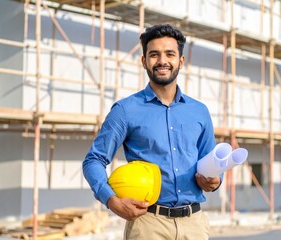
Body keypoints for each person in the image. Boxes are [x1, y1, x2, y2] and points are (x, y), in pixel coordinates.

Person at [83, 24, 221, 240]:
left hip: (195, 225)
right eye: (154, 54)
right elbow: (94, 160)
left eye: (170, 54)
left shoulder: (199, 112)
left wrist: (215, 182)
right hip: (148, 225)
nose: (162, 61)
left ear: (181, 61)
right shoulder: (126, 110)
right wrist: (111, 200)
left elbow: (210, 164)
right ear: (144, 61)